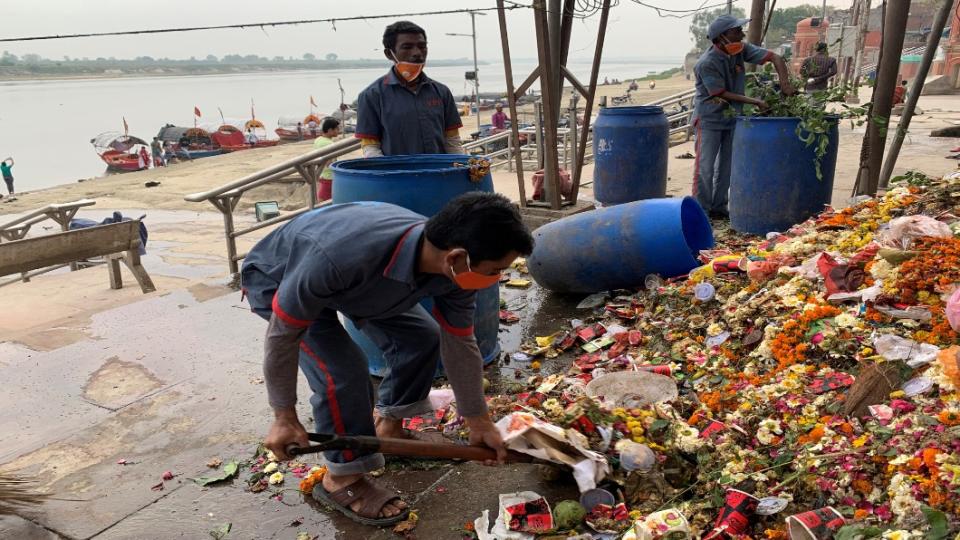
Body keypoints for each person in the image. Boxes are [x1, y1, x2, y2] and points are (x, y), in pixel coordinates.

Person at [241, 192, 533, 526]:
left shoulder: (455, 271)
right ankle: (342, 477)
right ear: (456, 258)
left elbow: (459, 341)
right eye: (495, 270)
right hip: (278, 278)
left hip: (358, 283)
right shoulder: (341, 257)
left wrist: (478, 421)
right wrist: (284, 416)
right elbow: (283, 336)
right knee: (344, 372)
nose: (495, 278)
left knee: (421, 338)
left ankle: (389, 425)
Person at [691, 14, 796, 220]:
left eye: (741, 30)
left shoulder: (740, 49)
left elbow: (775, 57)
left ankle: (719, 207)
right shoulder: (707, 63)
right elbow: (720, 93)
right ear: (722, 37)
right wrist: (755, 102)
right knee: (705, 168)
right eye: (736, 31)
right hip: (708, 120)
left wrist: (785, 84)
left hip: (732, 119)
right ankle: (700, 211)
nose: (742, 34)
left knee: (726, 166)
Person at [355, 21, 464, 157]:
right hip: (398, 176)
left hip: (439, 175)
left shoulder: (442, 92)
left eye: (422, 46)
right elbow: (371, 147)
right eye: (407, 47)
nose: (417, 53)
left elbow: (452, 141)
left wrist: (461, 168)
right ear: (389, 54)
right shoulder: (371, 96)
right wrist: (386, 176)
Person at [312, 117, 342, 201]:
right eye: (336, 129)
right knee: (323, 201)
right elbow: (329, 163)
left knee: (324, 200)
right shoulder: (328, 143)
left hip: (322, 174)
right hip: (329, 177)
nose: (338, 130)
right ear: (330, 130)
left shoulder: (318, 140)